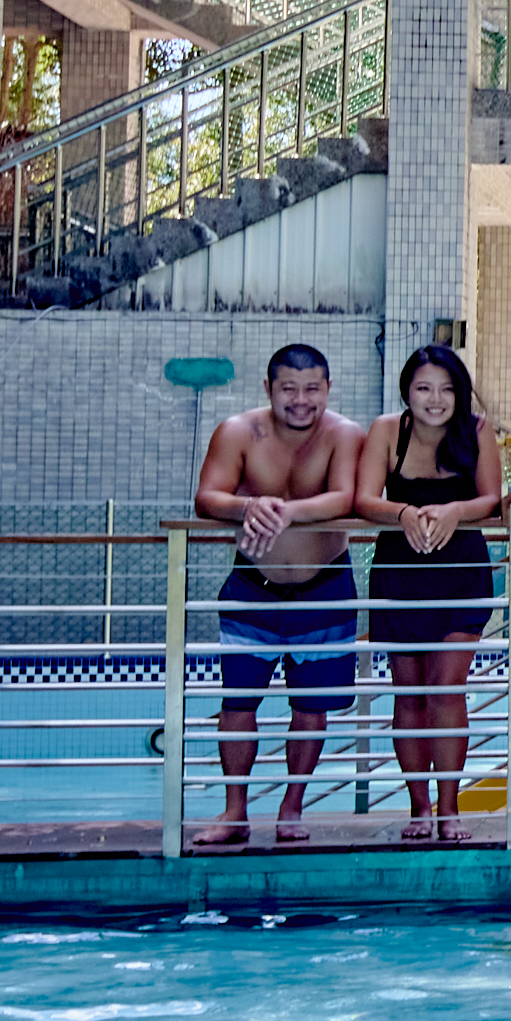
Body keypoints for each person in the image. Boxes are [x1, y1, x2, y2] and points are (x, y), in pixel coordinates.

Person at [193, 342, 367, 847]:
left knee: (310, 705)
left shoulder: (345, 435)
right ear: (267, 388)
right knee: (238, 701)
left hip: (325, 586)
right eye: (288, 388)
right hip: (253, 585)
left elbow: (346, 497)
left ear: (328, 389)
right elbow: (208, 496)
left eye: (312, 388)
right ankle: (235, 811)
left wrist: (286, 510)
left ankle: (292, 808)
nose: (301, 400)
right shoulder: (238, 432)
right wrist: (247, 506)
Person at [360, 338, 508, 846]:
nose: (435, 399)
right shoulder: (385, 431)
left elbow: (492, 499)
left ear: (459, 392)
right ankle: (417, 805)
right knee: (411, 691)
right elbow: (362, 499)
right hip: (401, 571)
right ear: (408, 391)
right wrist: (401, 513)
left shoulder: (477, 431)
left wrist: (454, 512)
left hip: (460, 571)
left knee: (446, 686)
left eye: (446, 389)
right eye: (424, 388)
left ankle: (450, 807)